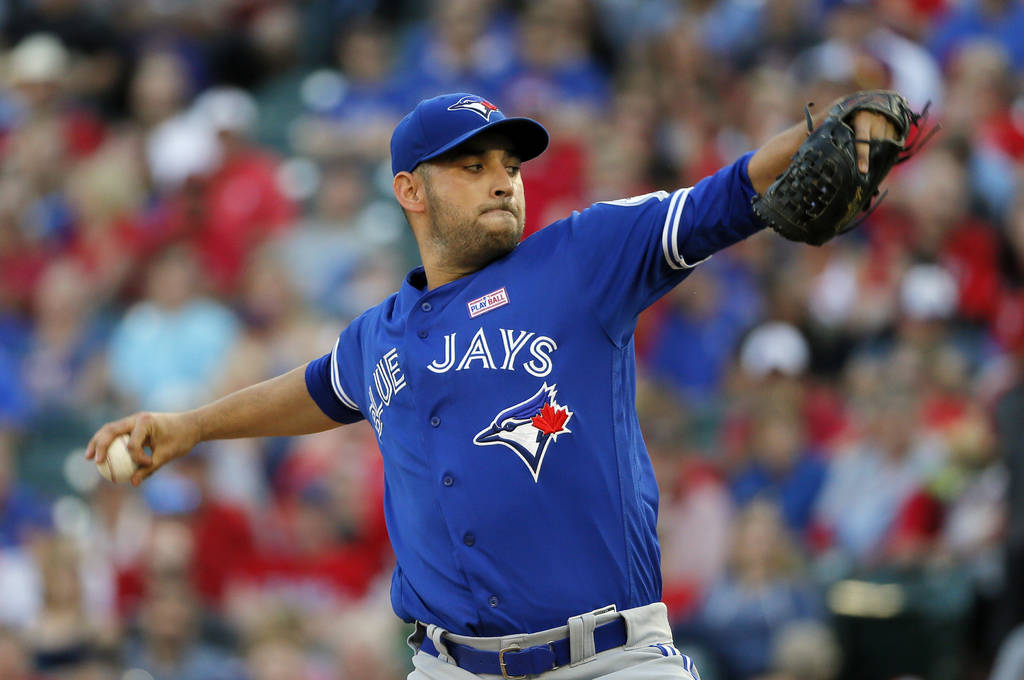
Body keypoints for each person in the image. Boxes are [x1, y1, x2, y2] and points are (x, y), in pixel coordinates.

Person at [87, 91, 901, 679]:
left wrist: (827, 132)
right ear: (410, 191)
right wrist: (191, 426)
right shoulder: (379, 333)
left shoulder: (582, 259)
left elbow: (722, 196)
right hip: (451, 666)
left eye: (509, 165)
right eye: (471, 166)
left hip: (609, 661)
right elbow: (317, 389)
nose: (503, 180)